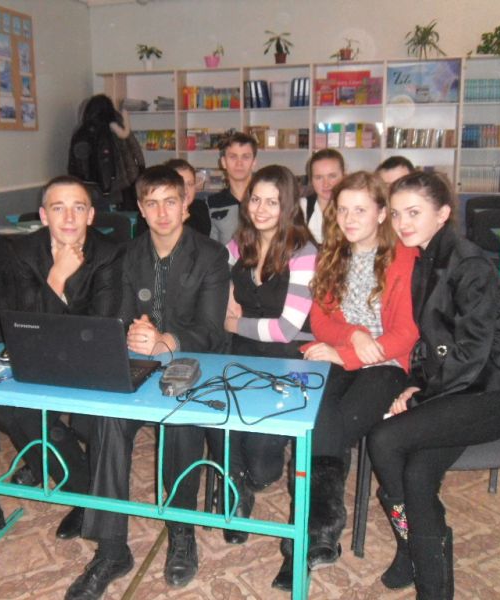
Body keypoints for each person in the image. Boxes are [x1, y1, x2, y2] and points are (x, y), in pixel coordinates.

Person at [67, 166, 230, 600]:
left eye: (170, 202)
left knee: (181, 421)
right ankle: (112, 550)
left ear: (185, 204)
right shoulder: (127, 255)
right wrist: (129, 332)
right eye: (152, 203)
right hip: (137, 361)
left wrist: (166, 340)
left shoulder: (211, 255)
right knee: (108, 419)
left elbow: (212, 331)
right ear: (140, 208)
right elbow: (115, 314)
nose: (161, 213)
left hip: (192, 362)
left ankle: (181, 529)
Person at [367, 171, 500, 598]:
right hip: (453, 393)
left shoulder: (470, 266)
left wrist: (422, 397)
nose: (402, 223)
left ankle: (412, 549)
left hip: (488, 396)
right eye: (396, 214)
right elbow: (429, 342)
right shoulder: (425, 258)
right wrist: (415, 384)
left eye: (413, 212)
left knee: (384, 439)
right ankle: (423, 565)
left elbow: (471, 357)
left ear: (443, 213)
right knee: (417, 475)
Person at [272, 171, 419, 590]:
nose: (350, 219)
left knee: (327, 427)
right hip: (337, 356)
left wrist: (349, 352)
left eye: (360, 210)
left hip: (386, 365)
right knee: (316, 419)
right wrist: (351, 338)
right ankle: (319, 534)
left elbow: (406, 334)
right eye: (343, 210)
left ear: (381, 213)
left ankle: (302, 543)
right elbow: (322, 321)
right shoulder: (332, 255)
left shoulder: (404, 258)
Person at [0, 175, 123, 540]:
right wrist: (56, 279)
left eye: (78, 208)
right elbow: (22, 322)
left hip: (90, 359)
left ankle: (76, 491)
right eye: (58, 208)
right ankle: (82, 490)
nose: (68, 218)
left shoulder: (109, 253)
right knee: (6, 410)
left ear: (91, 215)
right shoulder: (21, 252)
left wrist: (58, 287)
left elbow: (100, 325)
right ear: (43, 215)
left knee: (80, 421)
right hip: (39, 354)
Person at [222, 164, 317, 546]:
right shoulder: (238, 244)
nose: (260, 209)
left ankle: (252, 476)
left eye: (272, 202)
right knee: (222, 415)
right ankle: (235, 489)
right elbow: (215, 281)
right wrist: (225, 305)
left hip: (289, 357)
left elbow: (286, 329)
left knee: (263, 469)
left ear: (288, 206)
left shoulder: (304, 252)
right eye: (255, 200)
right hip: (242, 350)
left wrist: (234, 324)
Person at [67, 94, 144, 211]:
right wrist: (141, 168)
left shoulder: (82, 131)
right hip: (122, 182)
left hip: (92, 185)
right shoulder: (118, 125)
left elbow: (78, 162)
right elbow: (134, 147)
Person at [133, 158, 211, 237]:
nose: (186, 190)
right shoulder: (151, 212)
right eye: (181, 184)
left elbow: (202, 240)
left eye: (190, 184)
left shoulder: (200, 207)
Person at [208, 132, 257, 244]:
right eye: (233, 157)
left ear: (254, 162)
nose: (239, 163)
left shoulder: (265, 201)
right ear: (223, 162)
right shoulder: (211, 204)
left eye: (245, 157)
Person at [300, 149, 345, 244]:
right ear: (311, 180)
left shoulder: (354, 210)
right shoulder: (301, 208)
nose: (326, 184)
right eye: (319, 177)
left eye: (332, 176)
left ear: (343, 175)